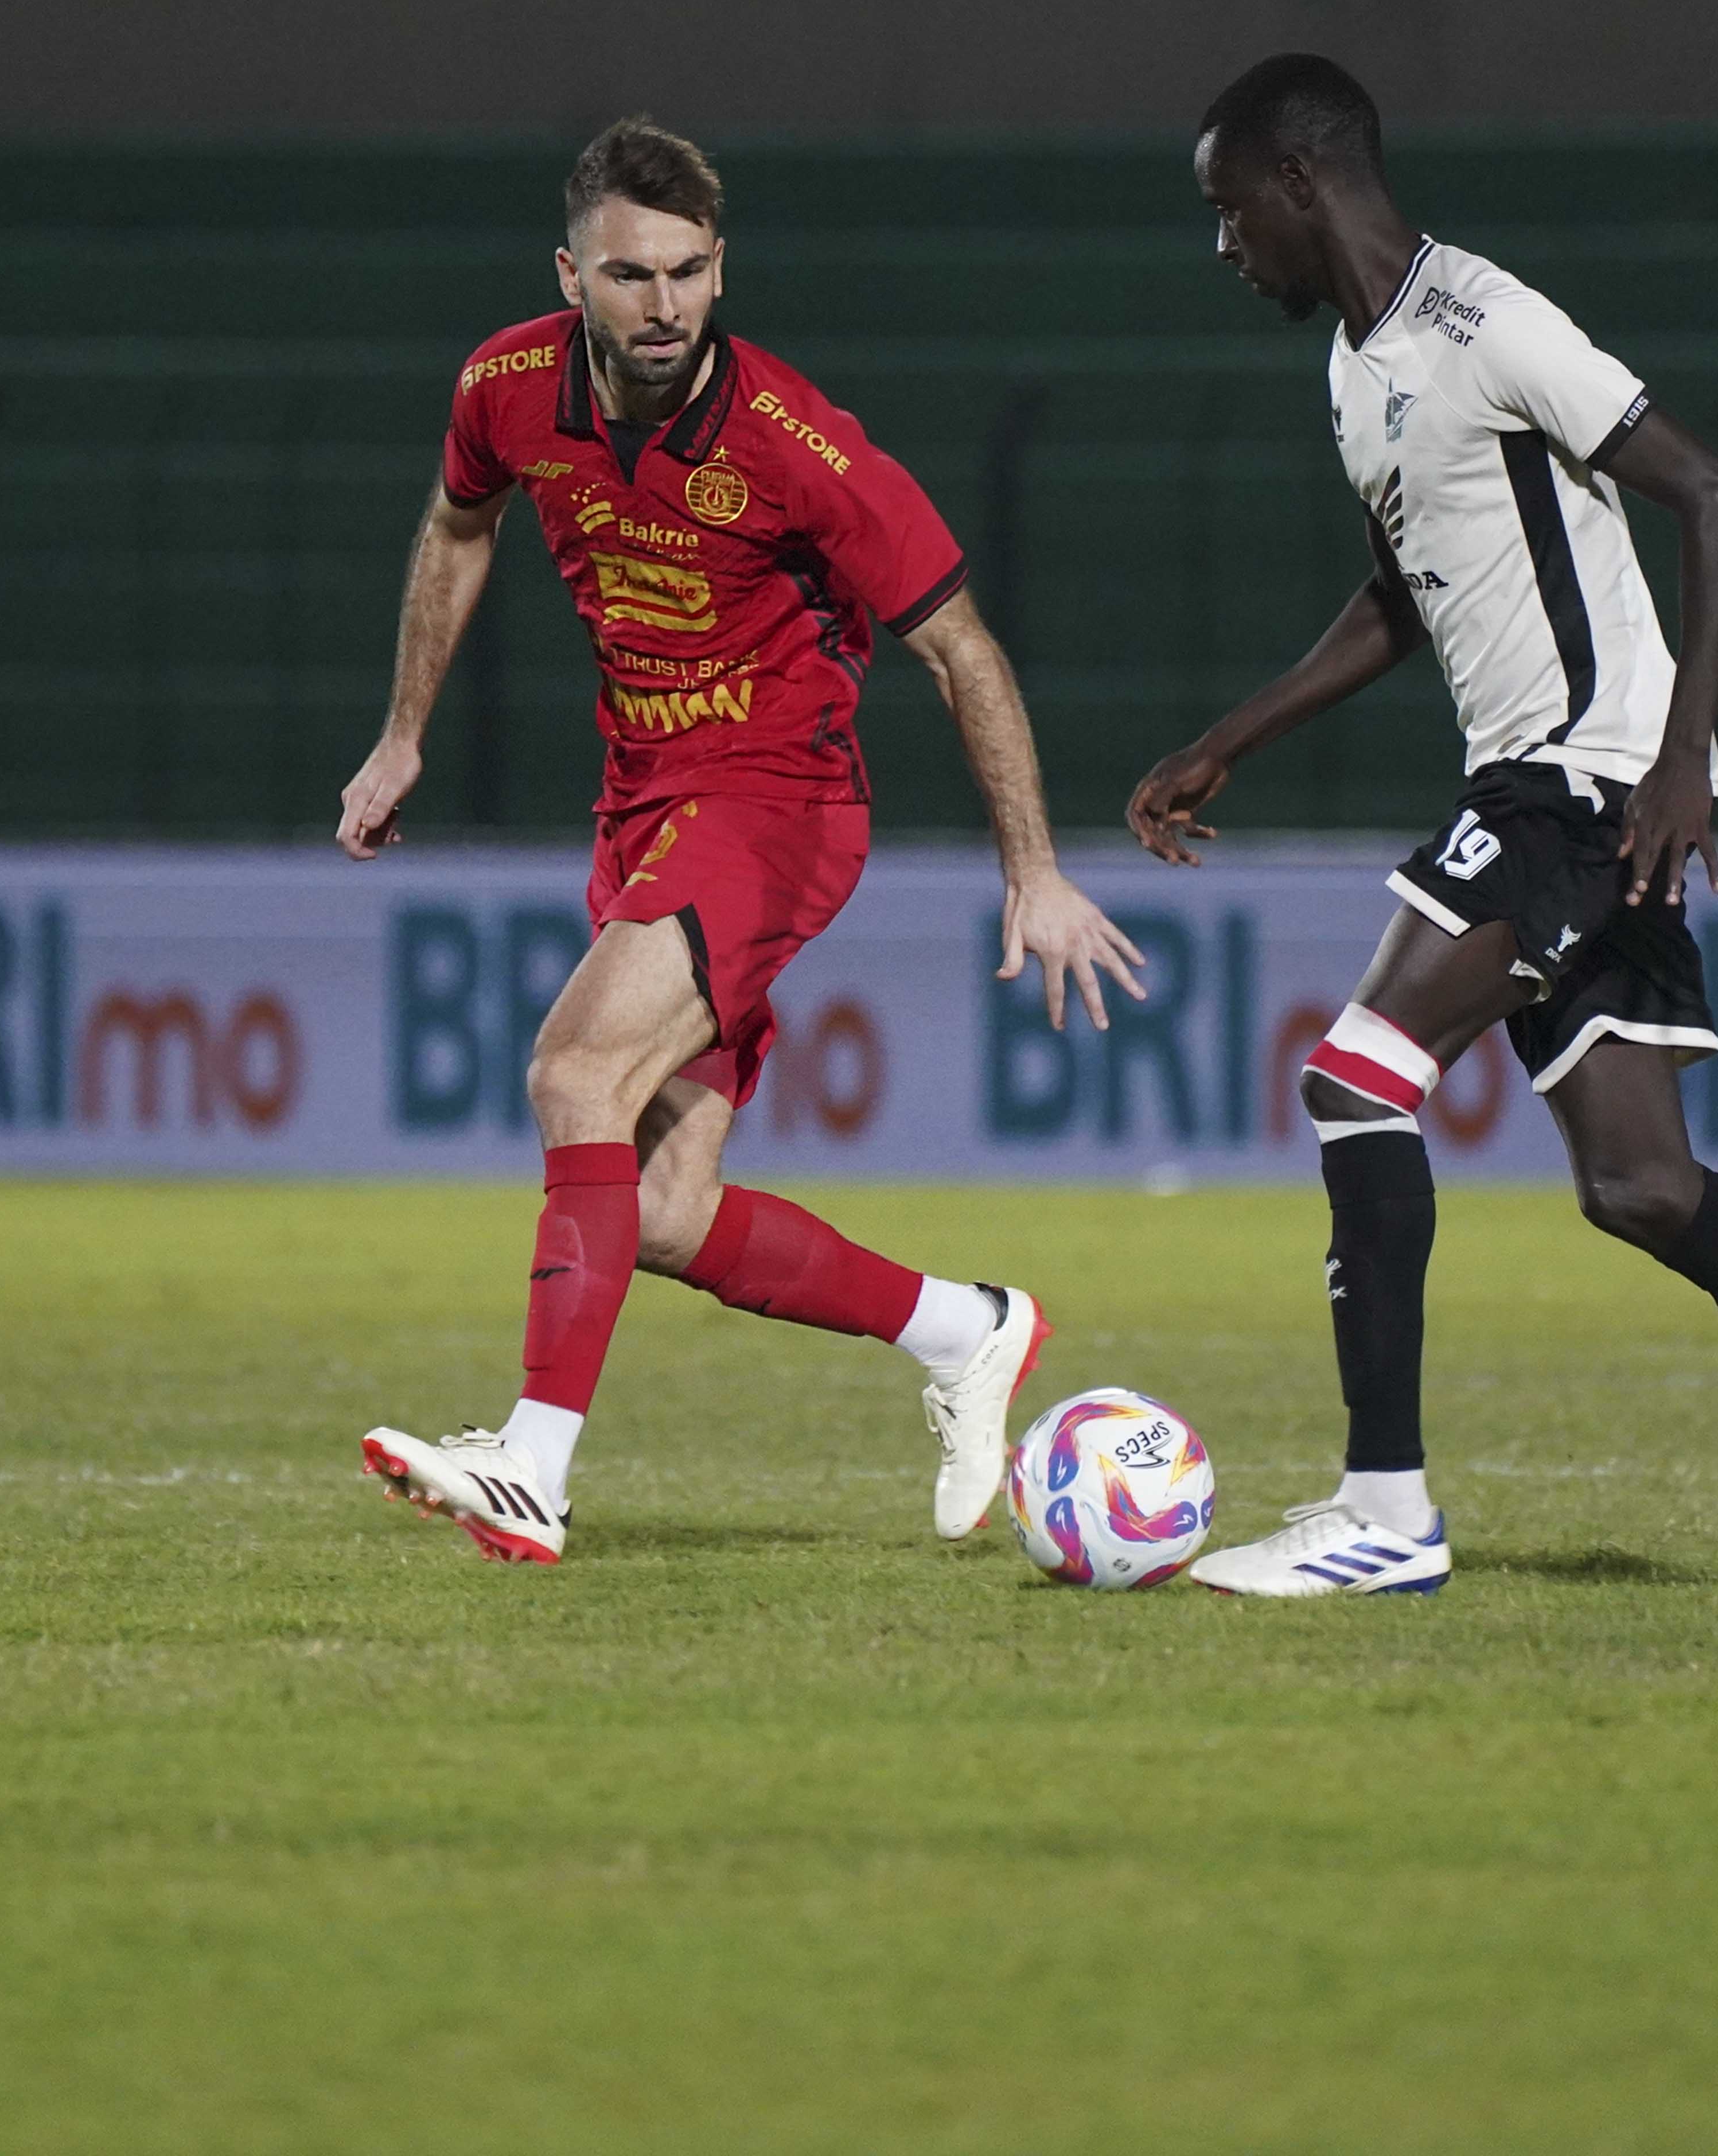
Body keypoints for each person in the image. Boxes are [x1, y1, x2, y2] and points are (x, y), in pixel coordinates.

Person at [1128, 56, 1718, 1598]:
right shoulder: (1359, 371)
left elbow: (1717, 496)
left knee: (1357, 1075)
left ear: (1302, 183)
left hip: (1583, 778)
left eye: (1231, 214)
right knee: (1643, 1189)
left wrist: (1684, 756)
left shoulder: (1487, 324)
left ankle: (1384, 1512)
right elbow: (1396, 599)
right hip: (1548, 780)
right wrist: (1229, 741)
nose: (1226, 250)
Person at [341, 116, 1144, 1567]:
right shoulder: (507, 386)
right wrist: (403, 733)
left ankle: (533, 1461)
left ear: (723, 268)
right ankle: (969, 1329)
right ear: (572, 272)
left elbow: (962, 650)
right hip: (643, 799)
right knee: (657, 1207)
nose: (665, 307)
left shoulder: (793, 443)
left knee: (572, 1069)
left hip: (779, 800)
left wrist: (1032, 867)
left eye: (691, 273)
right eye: (633, 275)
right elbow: (459, 528)